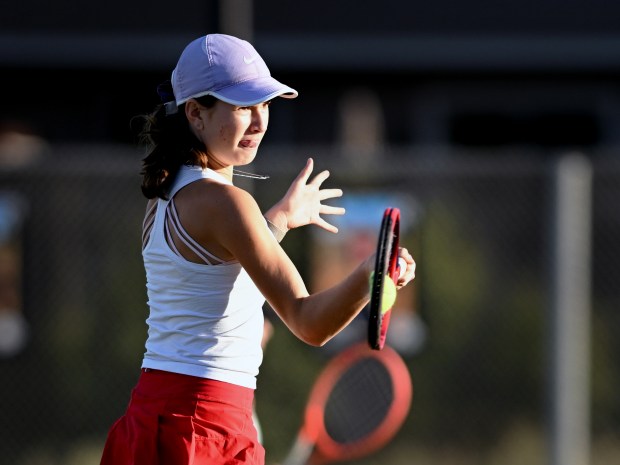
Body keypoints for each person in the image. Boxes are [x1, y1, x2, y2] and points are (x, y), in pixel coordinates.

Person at [99, 33, 416, 465]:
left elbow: (213, 270)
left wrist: (278, 221)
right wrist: (371, 274)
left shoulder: (164, 196)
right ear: (196, 114)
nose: (259, 121)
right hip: (204, 429)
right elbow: (309, 323)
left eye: (264, 104)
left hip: (154, 420)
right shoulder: (227, 204)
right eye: (243, 106)